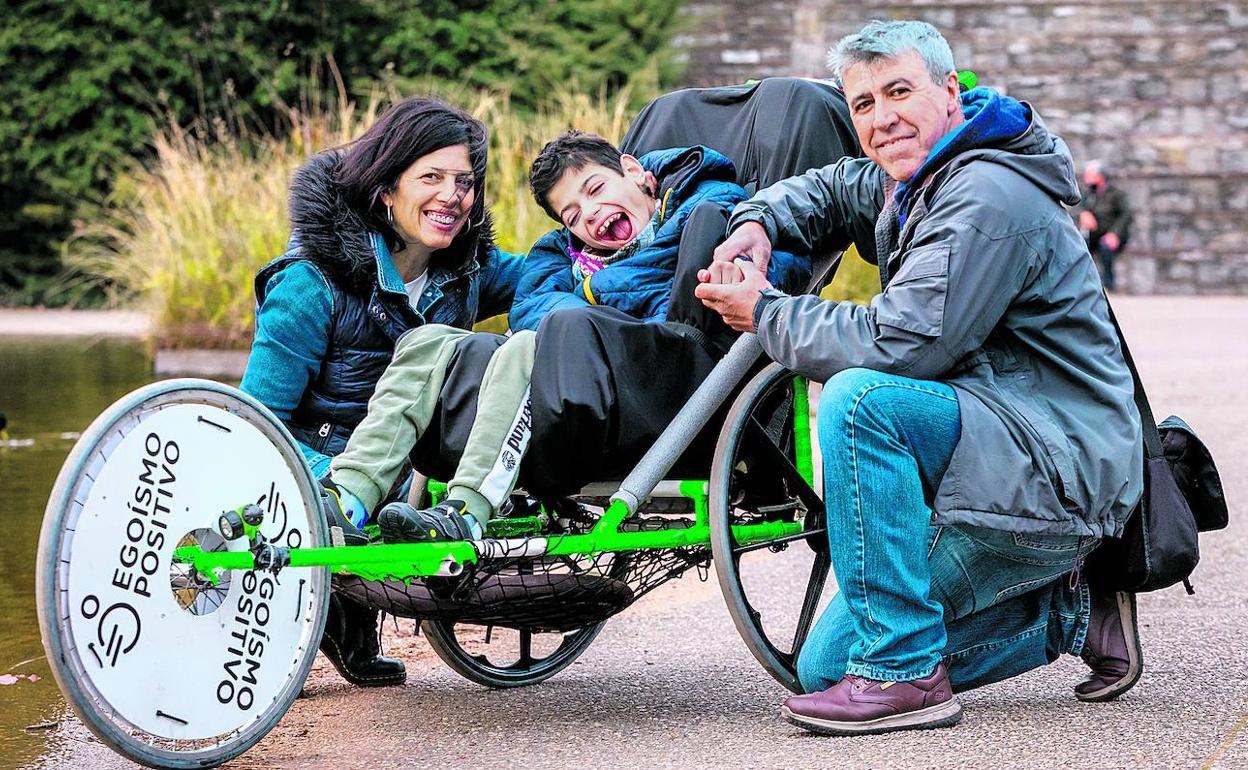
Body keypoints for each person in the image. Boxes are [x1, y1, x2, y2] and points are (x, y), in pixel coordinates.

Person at [696, 19, 1143, 736]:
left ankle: (908, 670)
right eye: (863, 103)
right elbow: (839, 186)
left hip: (1053, 464)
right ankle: (1071, 608)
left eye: (899, 91)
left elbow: (900, 346)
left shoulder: (987, 197)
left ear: (950, 91)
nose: (881, 118)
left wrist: (766, 311)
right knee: (825, 668)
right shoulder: (922, 174)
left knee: (861, 399)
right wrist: (758, 222)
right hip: (993, 438)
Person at [322, 130, 810, 542]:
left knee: (556, 329)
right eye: (573, 215)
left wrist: (596, 292)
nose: (591, 214)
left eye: (597, 189)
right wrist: (590, 294)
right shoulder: (560, 259)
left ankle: (468, 513)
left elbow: (778, 274)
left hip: (681, 388)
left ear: (635, 171)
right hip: (583, 387)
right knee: (433, 343)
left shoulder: (720, 208)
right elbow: (531, 311)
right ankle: (348, 497)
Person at [240, 97, 524, 687]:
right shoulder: (310, 282)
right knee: (349, 487)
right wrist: (321, 481)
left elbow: (550, 275)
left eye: (465, 182)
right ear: (387, 189)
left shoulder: (467, 270)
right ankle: (341, 603)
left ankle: (356, 607)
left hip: (415, 474)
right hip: (326, 467)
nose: (452, 196)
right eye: (432, 178)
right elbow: (258, 425)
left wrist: (624, 249)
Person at [1073, 160, 1133, 291]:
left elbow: (1126, 215)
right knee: (1079, 245)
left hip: (1111, 234)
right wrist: (1082, 214)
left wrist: (1115, 234)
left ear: (1100, 176)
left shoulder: (1116, 194)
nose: (1086, 177)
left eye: (1090, 174)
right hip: (1093, 234)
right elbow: (1074, 207)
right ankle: (1085, 284)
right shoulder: (1087, 194)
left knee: (1105, 247)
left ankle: (1109, 284)